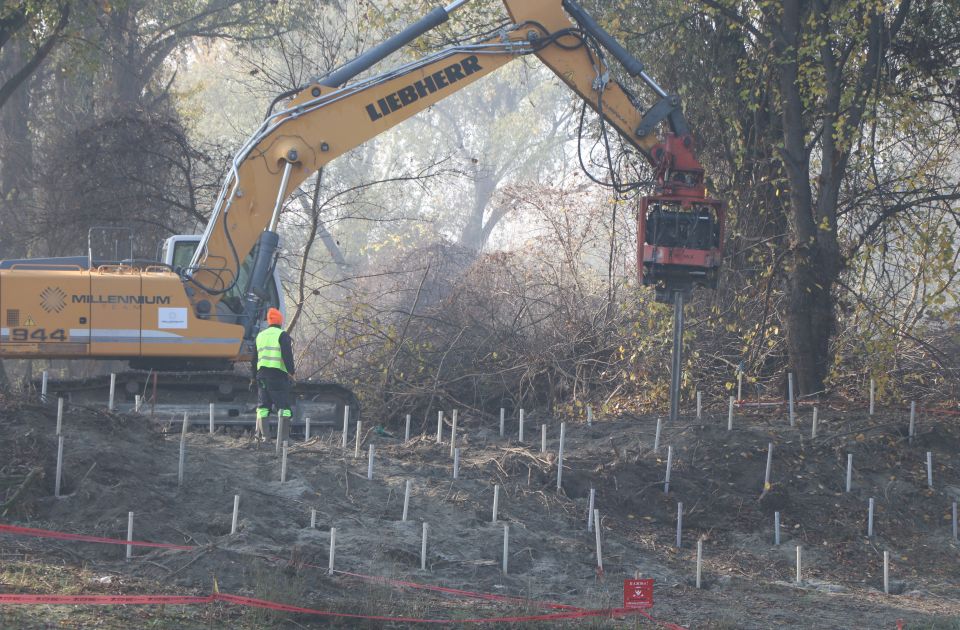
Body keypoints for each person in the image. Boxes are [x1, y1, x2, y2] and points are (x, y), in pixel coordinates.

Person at [252, 307, 295, 441]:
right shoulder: (282, 335)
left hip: (262, 376)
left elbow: (254, 359)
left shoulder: (260, 335)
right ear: (280, 321)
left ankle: (264, 438)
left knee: (263, 407)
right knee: (283, 407)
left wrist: (253, 378)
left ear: (268, 321)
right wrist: (292, 372)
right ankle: (283, 439)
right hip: (278, 376)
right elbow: (287, 356)